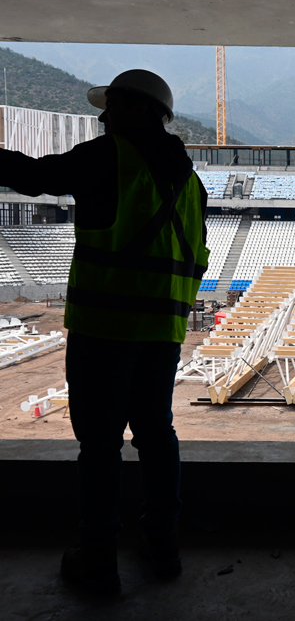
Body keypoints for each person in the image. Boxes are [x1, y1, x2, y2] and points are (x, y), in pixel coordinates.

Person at [0, 69, 209, 595]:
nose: (101, 117)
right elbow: (198, 253)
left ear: (137, 110)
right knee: (157, 435)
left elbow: (33, 177)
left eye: (110, 106)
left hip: (105, 327)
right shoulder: (191, 180)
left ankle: (99, 557)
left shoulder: (113, 155)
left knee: (99, 445)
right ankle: (163, 545)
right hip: (163, 328)